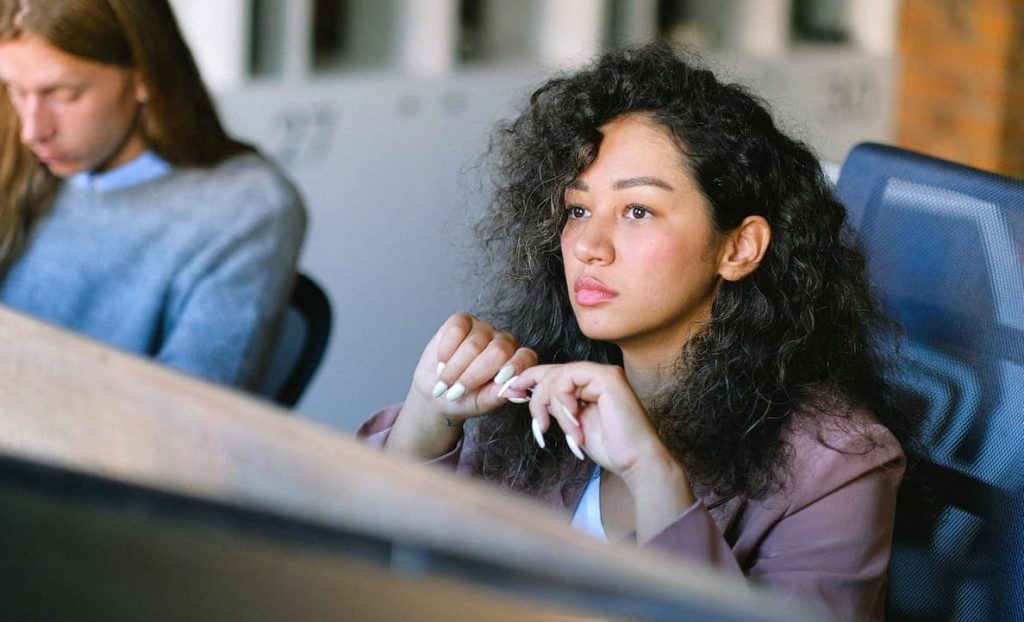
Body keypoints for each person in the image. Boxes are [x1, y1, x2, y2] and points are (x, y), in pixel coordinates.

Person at [359, 43, 917, 620]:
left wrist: (652, 474)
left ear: (739, 247)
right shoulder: (531, 389)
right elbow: (352, 577)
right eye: (577, 210)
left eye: (637, 211)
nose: (587, 247)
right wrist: (428, 421)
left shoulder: (835, 464)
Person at [0, 0, 305, 390]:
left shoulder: (244, 208)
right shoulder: (18, 158)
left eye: (64, 94)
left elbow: (187, 414)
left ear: (145, 77)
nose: (32, 131)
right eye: (15, 91)